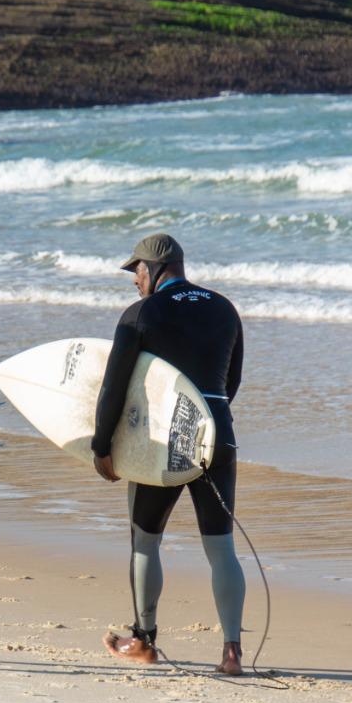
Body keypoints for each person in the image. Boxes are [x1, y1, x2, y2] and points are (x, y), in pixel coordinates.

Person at [92, 233, 247, 675]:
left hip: (164, 441)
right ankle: (232, 650)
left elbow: (114, 386)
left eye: (136, 270)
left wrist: (102, 445)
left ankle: (144, 641)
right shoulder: (224, 308)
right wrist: (207, 423)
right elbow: (229, 382)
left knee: (145, 541)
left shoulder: (141, 313)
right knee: (221, 547)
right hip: (218, 433)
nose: (134, 280)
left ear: (154, 269)